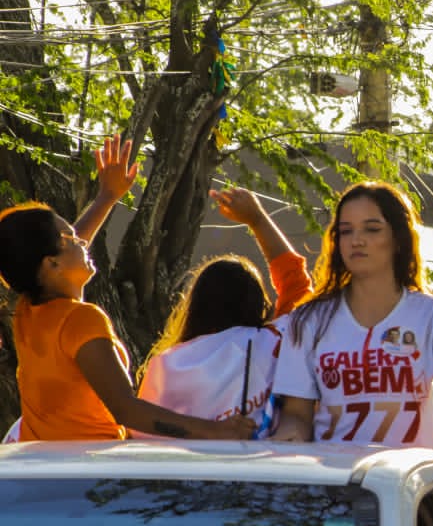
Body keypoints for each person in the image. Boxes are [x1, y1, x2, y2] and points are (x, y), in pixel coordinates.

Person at [0, 135, 256, 441]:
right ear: (51, 264)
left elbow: (63, 245)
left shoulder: (28, 310)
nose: (83, 242)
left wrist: (106, 197)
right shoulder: (81, 320)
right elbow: (126, 409)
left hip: (45, 464)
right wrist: (216, 430)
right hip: (88, 473)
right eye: (71, 239)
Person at [271, 182, 433, 493]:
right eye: (347, 231)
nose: (357, 241)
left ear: (397, 238)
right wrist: (287, 445)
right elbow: (297, 413)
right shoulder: (307, 320)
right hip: (337, 490)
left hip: (419, 491)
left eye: (372, 229)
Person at [137, 187, 311, 436]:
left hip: (180, 473)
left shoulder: (165, 364)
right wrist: (257, 218)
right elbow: (296, 282)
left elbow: (142, 435)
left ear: (194, 305)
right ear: (258, 301)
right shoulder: (275, 342)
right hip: (265, 471)